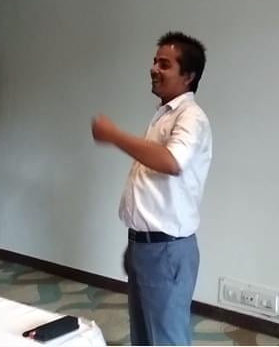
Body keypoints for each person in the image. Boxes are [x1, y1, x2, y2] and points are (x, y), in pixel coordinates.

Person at [91, 31, 213, 345]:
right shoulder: (164, 115)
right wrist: (136, 244)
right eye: (155, 61)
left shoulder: (191, 117)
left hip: (166, 251)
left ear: (188, 76)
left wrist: (114, 135)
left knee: (165, 339)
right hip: (147, 246)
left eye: (165, 64)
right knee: (145, 337)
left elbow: (172, 161)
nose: (154, 68)